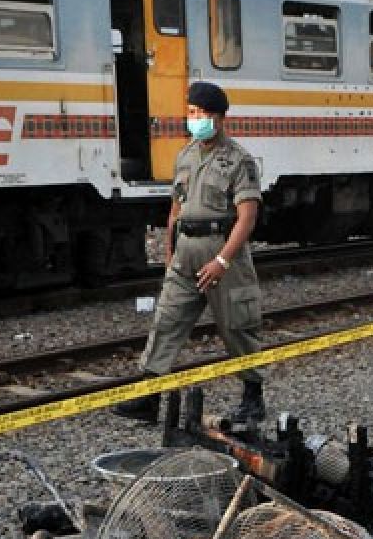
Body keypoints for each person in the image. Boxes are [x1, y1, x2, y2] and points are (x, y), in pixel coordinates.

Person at [113, 81, 266, 425]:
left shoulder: (238, 160)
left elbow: (248, 216)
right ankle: (149, 396)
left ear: (219, 117)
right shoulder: (186, 155)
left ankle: (253, 397)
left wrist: (223, 260)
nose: (194, 119)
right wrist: (169, 251)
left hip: (222, 251)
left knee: (237, 324)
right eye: (191, 112)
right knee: (166, 320)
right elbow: (176, 207)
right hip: (186, 252)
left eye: (200, 113)